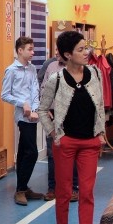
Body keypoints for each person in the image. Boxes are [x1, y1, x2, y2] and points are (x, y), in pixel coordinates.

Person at [38, 30, 106, 224]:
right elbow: (42, 109)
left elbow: (100, 105)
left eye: (86, 48)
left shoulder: (95, 74)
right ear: (67, 54)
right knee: (64, 192)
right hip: (65, 143)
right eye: (80, 49)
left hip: (89, 143)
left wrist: (101, 132)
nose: (86, 52)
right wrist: (54, 133)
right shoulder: (55, 80)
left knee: (86, 193)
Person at [1, 36, 44, 205]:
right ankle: (20, 190)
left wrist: (34, 108)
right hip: (22, 116)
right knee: (32, 152)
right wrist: (23, 104)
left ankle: (23, 187)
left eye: (33, 49)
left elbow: (35, 89)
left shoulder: (32, 68)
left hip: (32, 115)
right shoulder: (11, 70)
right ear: (20, 50)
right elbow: (4, 95)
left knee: (24, 150)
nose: (33, 52)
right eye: (29, 49)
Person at [40, 48, 80, 202]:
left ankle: (73, 188)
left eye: (60, 50)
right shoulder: (51, 67)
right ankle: (52, 188)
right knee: (52, 153)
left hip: (72, 116)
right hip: (53, 115)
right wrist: (46, 108)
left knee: (73, 153)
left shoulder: (78, 69)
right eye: (56, 49)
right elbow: (44, 89)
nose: (57, 53)